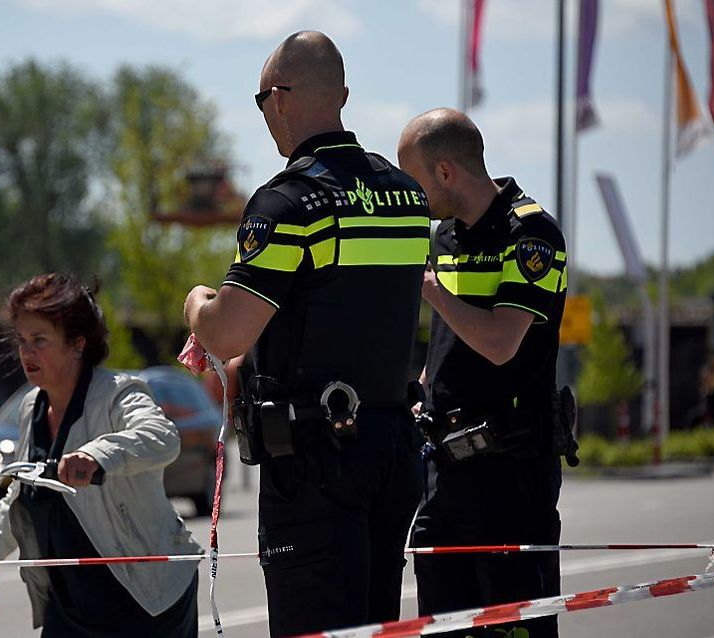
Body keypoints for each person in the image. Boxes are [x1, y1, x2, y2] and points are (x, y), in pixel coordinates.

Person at [183, 31, 429, 637]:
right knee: (375, 626)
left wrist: (197, 305)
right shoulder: (406, 197)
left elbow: (228, 333)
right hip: (391, 450)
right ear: (341, 95)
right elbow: (348, 311)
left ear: (281, 99)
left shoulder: (290, 201)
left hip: (317, 462)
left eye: (260, 100)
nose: (264, 115)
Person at [0, 273, 201, 637]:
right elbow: (19, 500)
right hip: (70, 607)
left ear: (78, 343)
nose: (26, 353)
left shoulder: (117, 393)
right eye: (22, 340)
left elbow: (162, 437)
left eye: (39, 340)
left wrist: (96, 456)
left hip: (148, 600)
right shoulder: (31, 407)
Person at [397, 108, 573, 638]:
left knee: (515, 629)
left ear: (446, 172)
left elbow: (500, 343)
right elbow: (447, 339)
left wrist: (429, 288)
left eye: (415, 182)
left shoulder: (531, 232)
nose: (412, 198)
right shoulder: (445, 236)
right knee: (443, 626)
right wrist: (425, 388)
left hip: (510, 476)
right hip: (443, 475)